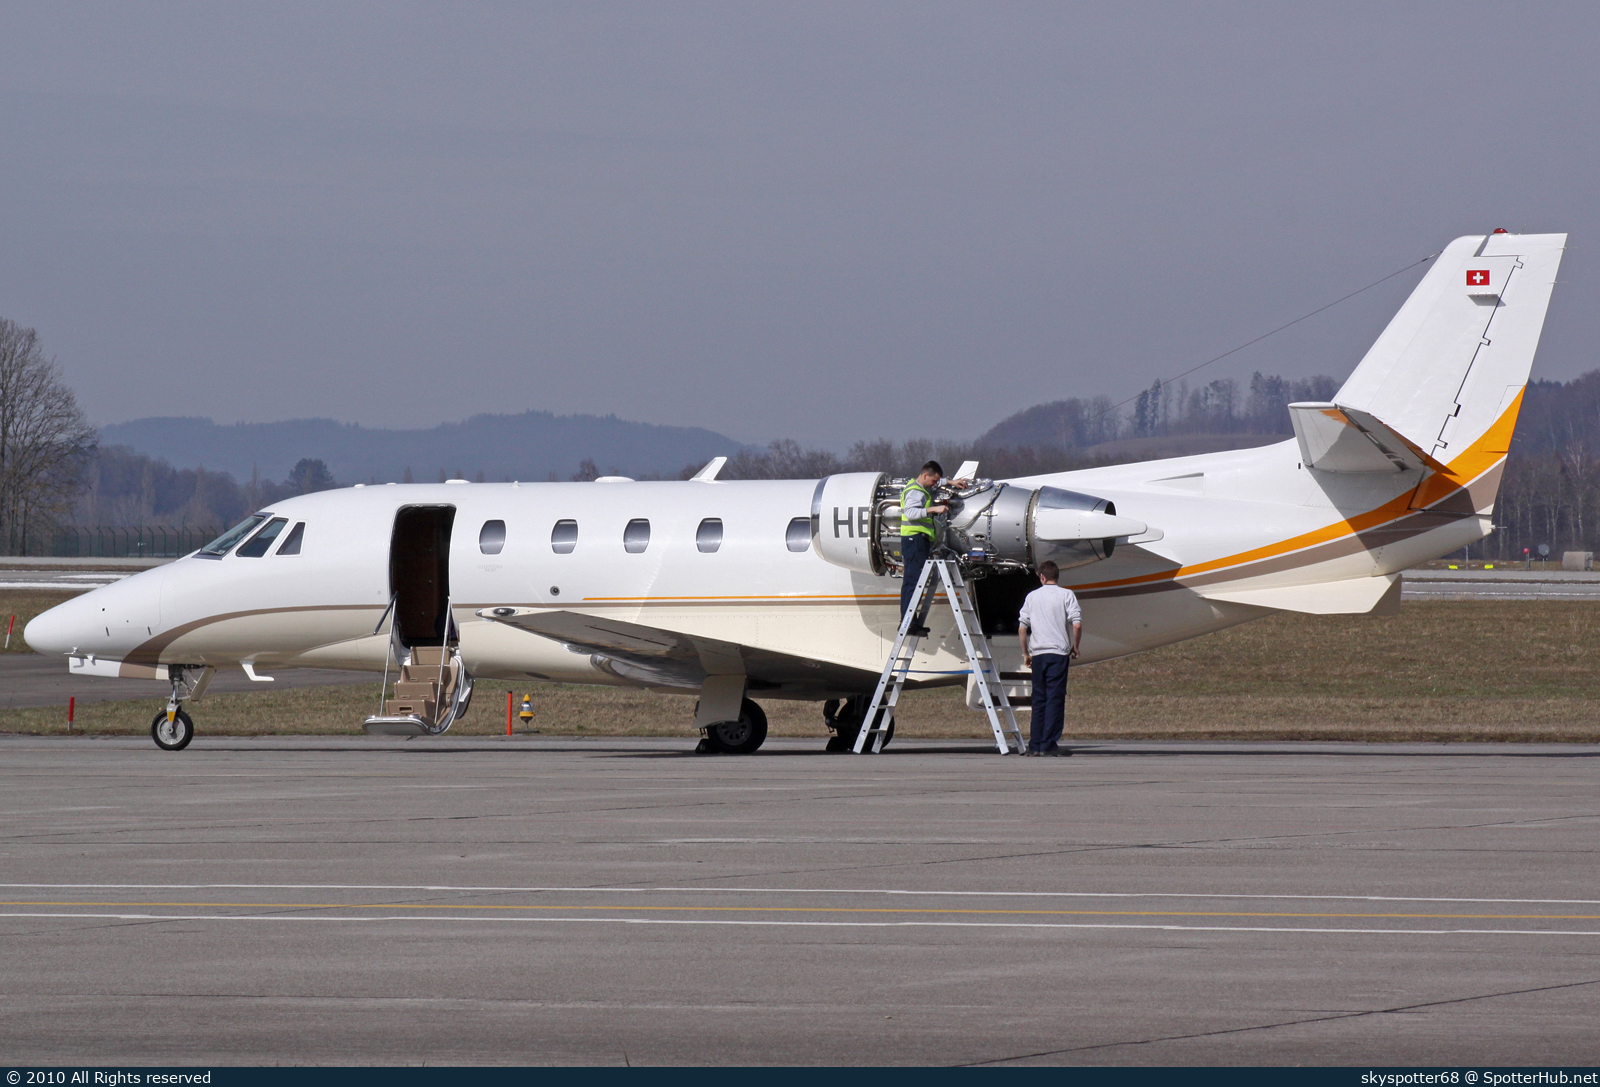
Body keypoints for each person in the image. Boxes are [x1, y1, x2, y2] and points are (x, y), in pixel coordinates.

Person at [1017, 559, 1082, 756]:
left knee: (1039, 699)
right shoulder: (1066, 595)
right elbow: (1076, 624)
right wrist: (1075, 646)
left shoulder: (1032, 596)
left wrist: (1026, 653)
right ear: (1057, 576)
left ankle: (1034, 744)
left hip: (1038, 653)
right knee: (1055, 698)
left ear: (1042, 577)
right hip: (1058, 653)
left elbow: (1022, 627)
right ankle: (1049, 744)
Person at [898, 460, 950, 634]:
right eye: (934, 481)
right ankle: (908, 624)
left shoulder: (919, 487)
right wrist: (933, 509)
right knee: (913, 582)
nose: (935, 485)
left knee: (912, 581)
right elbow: (911, 513)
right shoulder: (915, 492)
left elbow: (936, 481)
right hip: (915, 540)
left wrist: (950, 482)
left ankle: (910, 622)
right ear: (925, 475)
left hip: (916, 540)